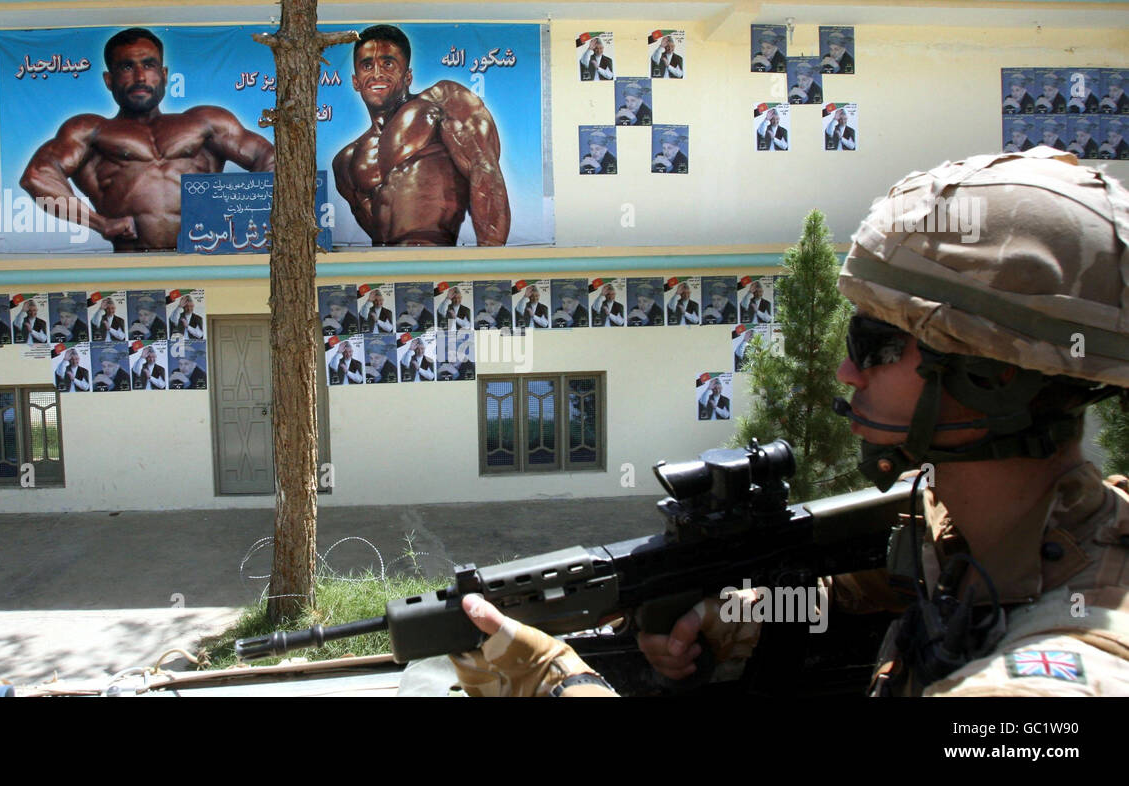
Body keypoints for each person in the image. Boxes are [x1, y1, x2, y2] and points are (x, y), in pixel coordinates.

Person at [450, 147, 1129, 698]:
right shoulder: (977, 530)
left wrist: (560, 685)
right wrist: (740, 613)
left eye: (874, 342)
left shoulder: (1068, 672)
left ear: (991, 377)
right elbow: (872, 590)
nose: (846, 373)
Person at [20, 27, 276, 252]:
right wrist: (101, 224)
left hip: (203, 256)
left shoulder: (206, 122)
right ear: (109, 80)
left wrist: (243, 220)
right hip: (133, 266)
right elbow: (37, 177)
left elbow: (270, 158)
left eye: (149, 65)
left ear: (164, 75)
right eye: (127, 67)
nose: (140, 77)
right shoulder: (90, 130)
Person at [333, 24, 510, 246]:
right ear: (356, 81)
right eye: (367, 65)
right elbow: (376, 229)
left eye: (388, 64)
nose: (377, 73)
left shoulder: (441, 102)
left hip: (437, 261)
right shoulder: (345, 162)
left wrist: (491, 263)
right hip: (383, 267)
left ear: (408, 76)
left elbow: (485, 172)